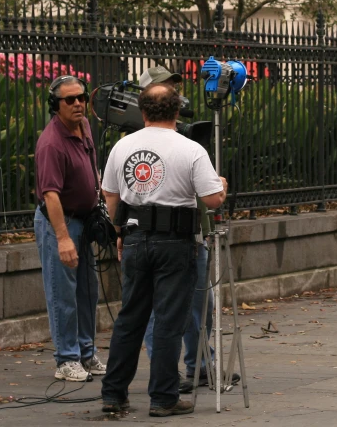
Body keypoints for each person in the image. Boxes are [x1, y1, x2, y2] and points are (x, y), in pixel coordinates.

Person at [100, 84, 227, 417]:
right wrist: (222, 187)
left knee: (130, 318)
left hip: (135, 237)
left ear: (142, 112)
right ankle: (163, 397)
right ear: (176, 111)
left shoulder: (122, 146)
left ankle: (113, 394)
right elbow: (212, 199)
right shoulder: (190, 149)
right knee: (170, 320)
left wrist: (118, 232)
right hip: (175, 241)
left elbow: (110, 193)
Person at [137, 65, 238, 393]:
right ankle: (165, 373)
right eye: (167, 89)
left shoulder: (186, 138)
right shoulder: (139, 142)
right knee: (160, 311)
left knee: (202, 306)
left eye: (175, 89)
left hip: (194, 232)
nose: (175, 95)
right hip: (163, 237)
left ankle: (201, 365)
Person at [34, 75, 107, 382]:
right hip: (59, 224)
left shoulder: (84, 126)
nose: (78, 104)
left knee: (87, 291)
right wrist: (63, 238)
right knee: (63, 292)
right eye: (70, 100)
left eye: (81, 98)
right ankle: (66, 359)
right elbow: (50, 194)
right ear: (56, 105)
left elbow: (91, 166)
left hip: (84, 220)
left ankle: (86, 353)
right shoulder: (51, 143)